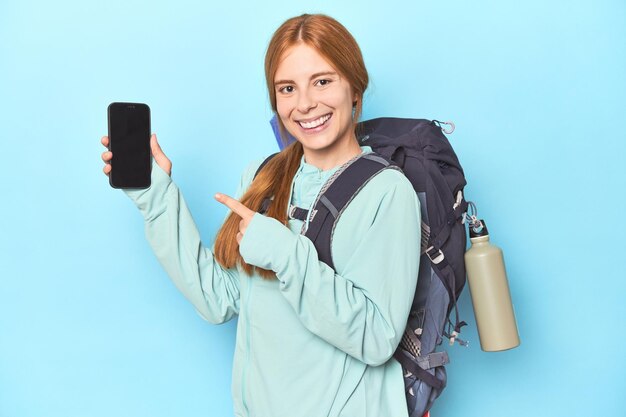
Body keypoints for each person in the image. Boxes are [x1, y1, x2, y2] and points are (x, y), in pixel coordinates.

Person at [101, 13, 421, 417]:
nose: (305, 103)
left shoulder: (387, 192)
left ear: (355, 87)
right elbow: (220, 298)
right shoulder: (263, 177)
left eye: (322, 81)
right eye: (287, 88)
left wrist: (285, 253)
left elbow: (376, 338)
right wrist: (155, 198)